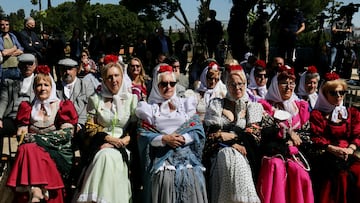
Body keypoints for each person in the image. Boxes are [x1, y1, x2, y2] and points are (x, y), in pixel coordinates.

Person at [136, 64, 208, 203]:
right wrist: (164, 139)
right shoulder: (148, 109)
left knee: (191, 178)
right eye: (164, 84)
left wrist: (183, 138)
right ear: (157, 85)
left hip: (186, 155)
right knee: (166, 180)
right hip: (162, 158)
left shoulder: (185, 104)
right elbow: (143, 134)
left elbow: (197, 129)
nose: (168, 87)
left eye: (172, 83)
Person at [6, 65, 78, 203]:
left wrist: (36, 139)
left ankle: (33, 189)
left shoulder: (62, 106)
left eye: (46, 85)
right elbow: (22, 135)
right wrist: (28, 137)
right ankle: (36, 190)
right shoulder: (27, 108)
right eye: (38, 85)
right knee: (27, 147)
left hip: (56, 152)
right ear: (34, 89)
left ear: (52, 87)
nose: (42, 88)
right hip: (34, 154)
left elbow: (66, 135)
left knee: (30, 147)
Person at [76, 62, 138, 203]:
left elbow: (135, 129)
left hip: (123, 144)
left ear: (122, 77)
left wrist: (122, 141)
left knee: (108, 156)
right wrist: (109, 139)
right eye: (109, 77)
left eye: (117, 75)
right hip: (100, 143)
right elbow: (90, 128)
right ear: (103, 80)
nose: (114, 80)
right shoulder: (96, 99)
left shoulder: (131, 99)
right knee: (105, 155)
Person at [203, 64, 262, 203]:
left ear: (245, 84)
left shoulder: (252, 107)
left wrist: (232, 137)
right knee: (228, 155)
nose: (237, 88)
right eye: (232, 84)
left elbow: (254, 135)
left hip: (245, 153)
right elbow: (212, 134)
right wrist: (229, 143)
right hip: (218, 151)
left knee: (234, 156)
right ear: (226, 85)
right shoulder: (217, 105)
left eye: (240, 84)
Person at [257, 65, 314, 203]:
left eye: (292, 83)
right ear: (276, 84)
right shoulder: (265, 106)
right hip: (273, 152)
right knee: (275, 166)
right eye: (284, 83)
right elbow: (265, 131)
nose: (289, 87)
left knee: (298, 171)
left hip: (295, 153)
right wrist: (287, 134)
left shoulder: (300, 107)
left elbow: (306, 134)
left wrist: (294, 140)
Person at [310, 72, 360, 203]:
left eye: (341, 92)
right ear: (324, 94)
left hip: (347, 154)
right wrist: (333, 149)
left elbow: (357, 133)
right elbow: (316, 138)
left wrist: (350, 149)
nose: (338, 96)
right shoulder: (318, 115)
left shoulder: (351, 113)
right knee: (341, 177)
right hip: (327, 155)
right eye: (333, 93)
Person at [0, 53, 37, 176]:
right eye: (23, 64)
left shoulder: (40, 81)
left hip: (31, 119)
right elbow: (4, 100)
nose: (27, 67)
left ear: (35, 65)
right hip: (13, 117)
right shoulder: (11, 82)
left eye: (30, 64)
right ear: (19, 66)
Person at [0, 16, 24, 81]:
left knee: (17, 89)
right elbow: (4, 53)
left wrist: (9, 52)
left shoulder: (12, 36)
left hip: (16, 67)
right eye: (2, 25)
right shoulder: (0, 37)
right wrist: (14, 48)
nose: (5, 27)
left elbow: (21, 50)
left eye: (7, 24)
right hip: (4, 69)